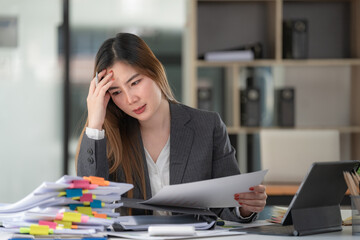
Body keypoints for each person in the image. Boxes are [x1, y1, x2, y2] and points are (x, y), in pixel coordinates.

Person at [76, 32, 267, 222]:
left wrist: (244, 208)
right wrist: (94, 124)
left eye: (135, 82)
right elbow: (91, 204)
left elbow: (228, 205)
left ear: (155, 71)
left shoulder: (207, 126)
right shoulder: (106, 136)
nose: (130, 99)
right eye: (116, 92)